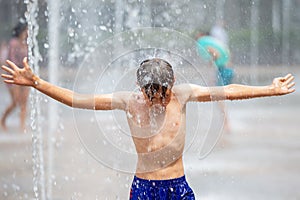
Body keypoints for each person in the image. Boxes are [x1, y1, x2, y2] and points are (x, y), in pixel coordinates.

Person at [1, 57, 295, 199]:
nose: (157, 101)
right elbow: (78, 100)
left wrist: (270, 90)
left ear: (172, 85)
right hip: (144, 188)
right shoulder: (129, 102)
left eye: (162, 94)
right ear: (140, 89)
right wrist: (36, 82)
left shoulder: (184, 94)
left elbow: (227, 90)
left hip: (177, 187)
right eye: (150, 95)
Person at [1, 22, 28, 132]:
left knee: (24, 102)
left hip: (25, 75)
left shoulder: (26, 43)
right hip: (13, 75)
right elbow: (11, 59)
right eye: (26, 30)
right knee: (16, 101)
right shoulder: (14, 43)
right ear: (21, 31)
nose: (28, 32)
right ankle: (2, 120)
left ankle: (22, 128)